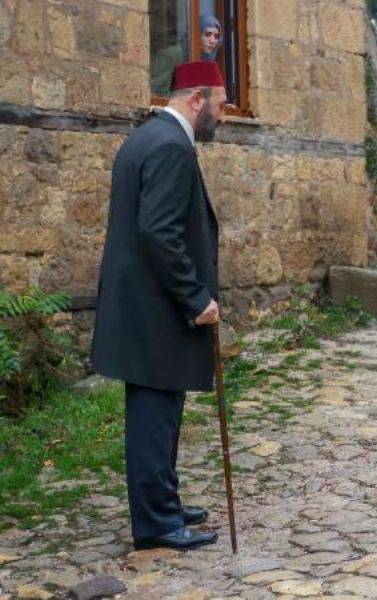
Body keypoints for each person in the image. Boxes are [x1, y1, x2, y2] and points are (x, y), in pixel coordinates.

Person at [91, 61, 228, 550]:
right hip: (155, 309)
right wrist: (196, 298)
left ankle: (164, 503)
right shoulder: (170, 146)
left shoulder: (146, 138)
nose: (224, 114)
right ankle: (156, 523)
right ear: (197, 98)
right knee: (153, 418)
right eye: (220, 102)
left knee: (162, 413)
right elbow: (159, 232)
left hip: (145, 305)